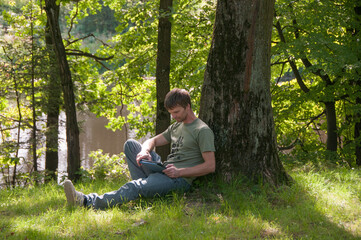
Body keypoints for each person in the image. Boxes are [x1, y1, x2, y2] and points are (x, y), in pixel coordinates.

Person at [64, 88, 216, 210]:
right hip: (164, 170)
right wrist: (145, 151)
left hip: (179, 179)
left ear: (188, 106)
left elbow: (210, 166)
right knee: (131, 145)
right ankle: (146, 188)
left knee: (133, 186)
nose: (174, 116)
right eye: (171, 113)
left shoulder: (202, 130)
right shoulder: (177, 126)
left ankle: (85, 201)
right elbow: (153, 140)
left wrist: (179, 172)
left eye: (176, 112)